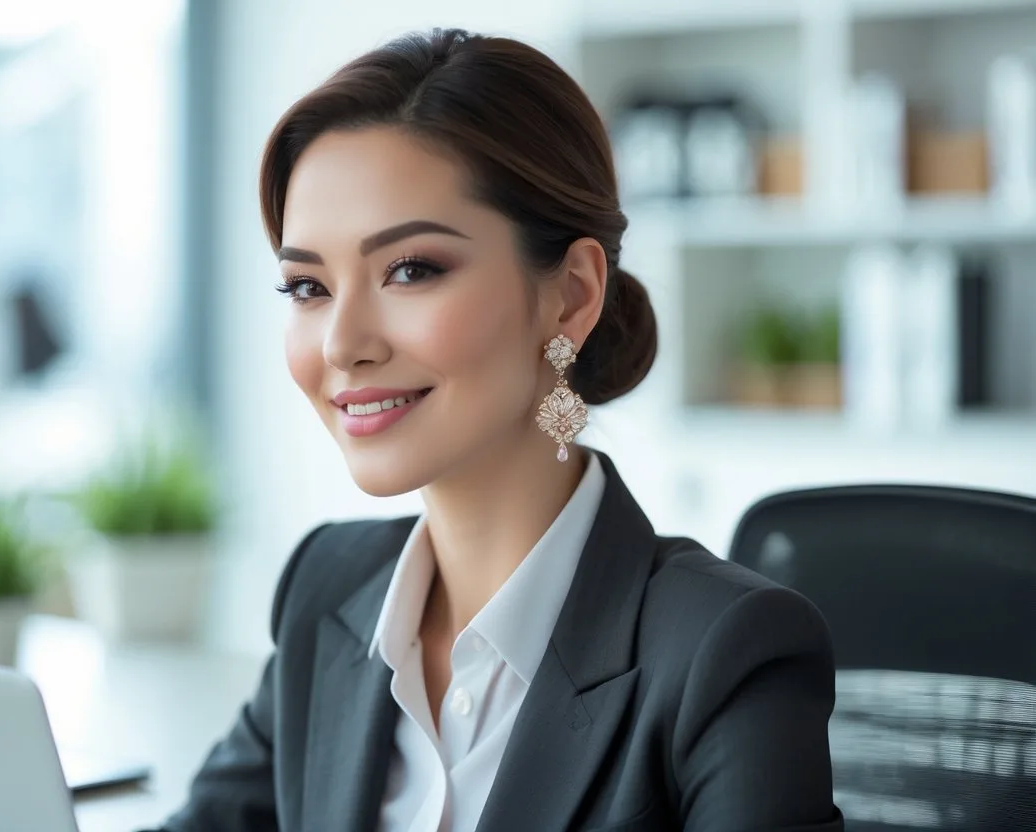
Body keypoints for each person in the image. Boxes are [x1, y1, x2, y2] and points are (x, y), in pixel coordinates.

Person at [152, 28, 843, 832]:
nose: (342, 343)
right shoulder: (327, 591)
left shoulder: (725, 655)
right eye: (307, 286)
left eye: (410, 270)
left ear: (571, 297)